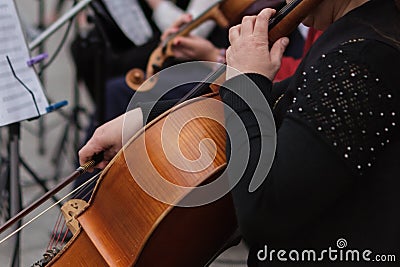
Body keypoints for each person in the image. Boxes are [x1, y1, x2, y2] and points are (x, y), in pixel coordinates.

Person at [80, 0, 400, 266]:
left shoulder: (360, 57)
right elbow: (284, 98)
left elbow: (266, 213)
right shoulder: (357, 35)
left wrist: (245, 81)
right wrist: (144, 119)